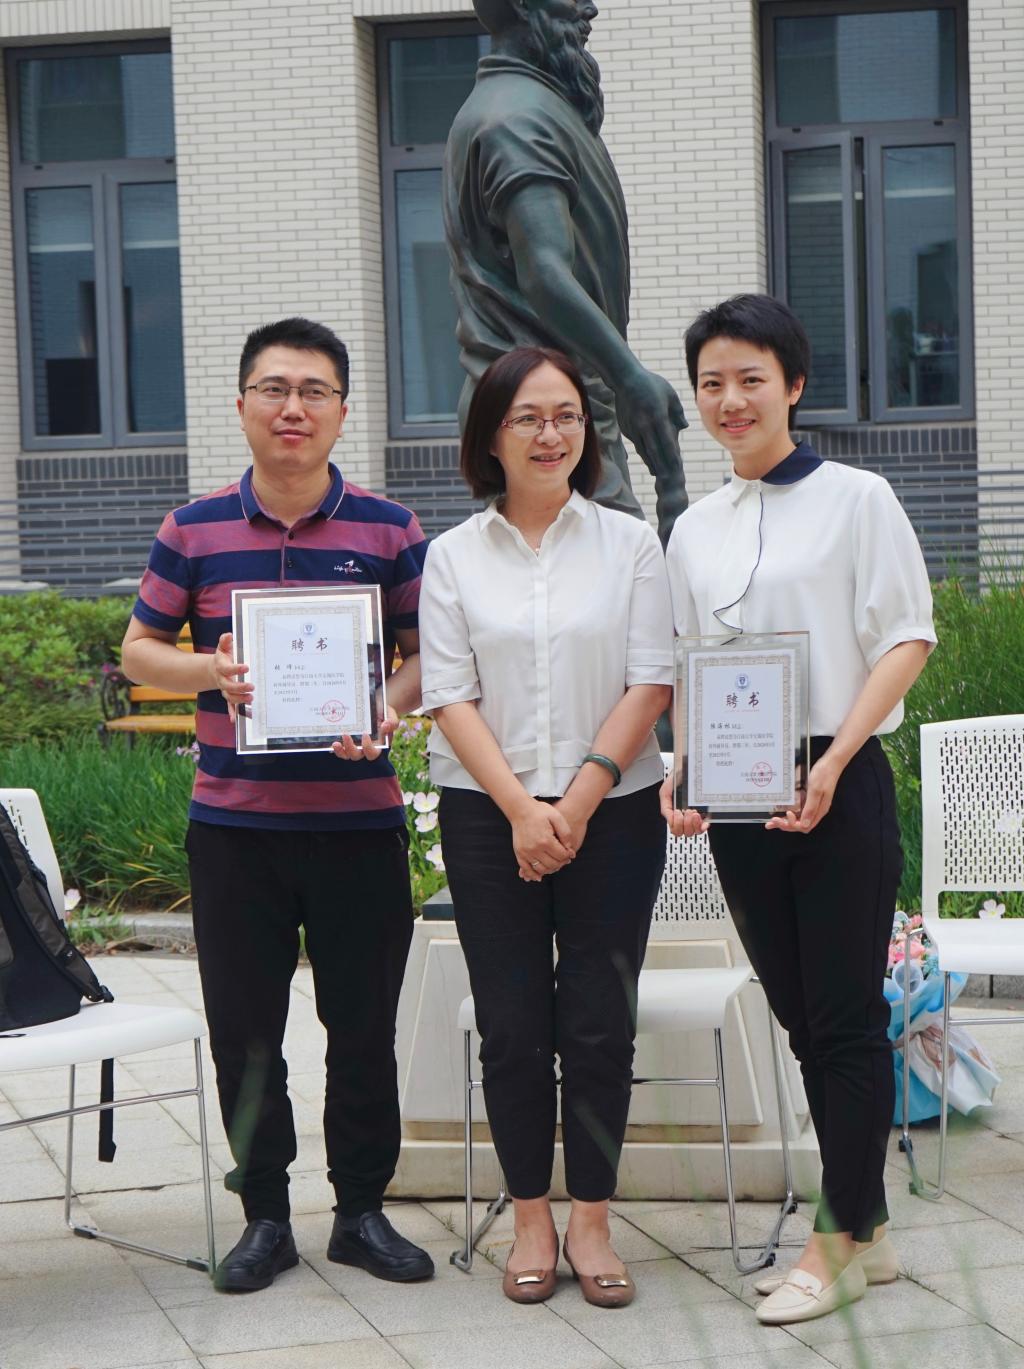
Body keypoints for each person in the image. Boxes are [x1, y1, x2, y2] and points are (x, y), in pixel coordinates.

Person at [121, 318, 434, 1293]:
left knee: (363, 1029)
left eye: (312, 391)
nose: (292, 407)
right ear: (243, 404)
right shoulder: (193, 527)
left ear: (341, 409)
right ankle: (265, 1215)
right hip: (235, 830)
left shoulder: (389, 528)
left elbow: (425, 658)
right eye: (273, 388)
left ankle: (361, 1211)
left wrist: (383, 707)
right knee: (245, 1031)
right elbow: (139, 650)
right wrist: (209, 671)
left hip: (358, 826)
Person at [663, 295, 936, 1326]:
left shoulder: (857, 498)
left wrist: (837, 758)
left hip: (836, 777)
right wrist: (683, 766)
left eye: (750, 379)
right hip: (738, 790)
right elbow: (694, 660)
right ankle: (870, 1230)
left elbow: (906, 636)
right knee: (801, 1019)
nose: (730, 400)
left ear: (794, 384)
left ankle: (833, 1244)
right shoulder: (693, 527)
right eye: (712, 383)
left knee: (845, 1017)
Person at [419, 345, 673, 1306]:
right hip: (490, 818)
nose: (550, 432)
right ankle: (531, 1218)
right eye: (527, 416)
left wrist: (574, 801)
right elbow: (448, 694)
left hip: (614, 813)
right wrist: (524, 809)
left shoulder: (629, 544)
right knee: (515, 1028)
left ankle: (592, 1222)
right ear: (491, 434)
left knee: (601, 1025)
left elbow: (651, 678)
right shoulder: (452, 556)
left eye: (566, 414)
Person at [443, 0, 688, 543]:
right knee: (605, 569)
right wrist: (629, 376)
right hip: (539, 414)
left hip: (563, 399)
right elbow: (544, 272)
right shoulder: (517, 119)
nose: (588, 9)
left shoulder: (538, 106)